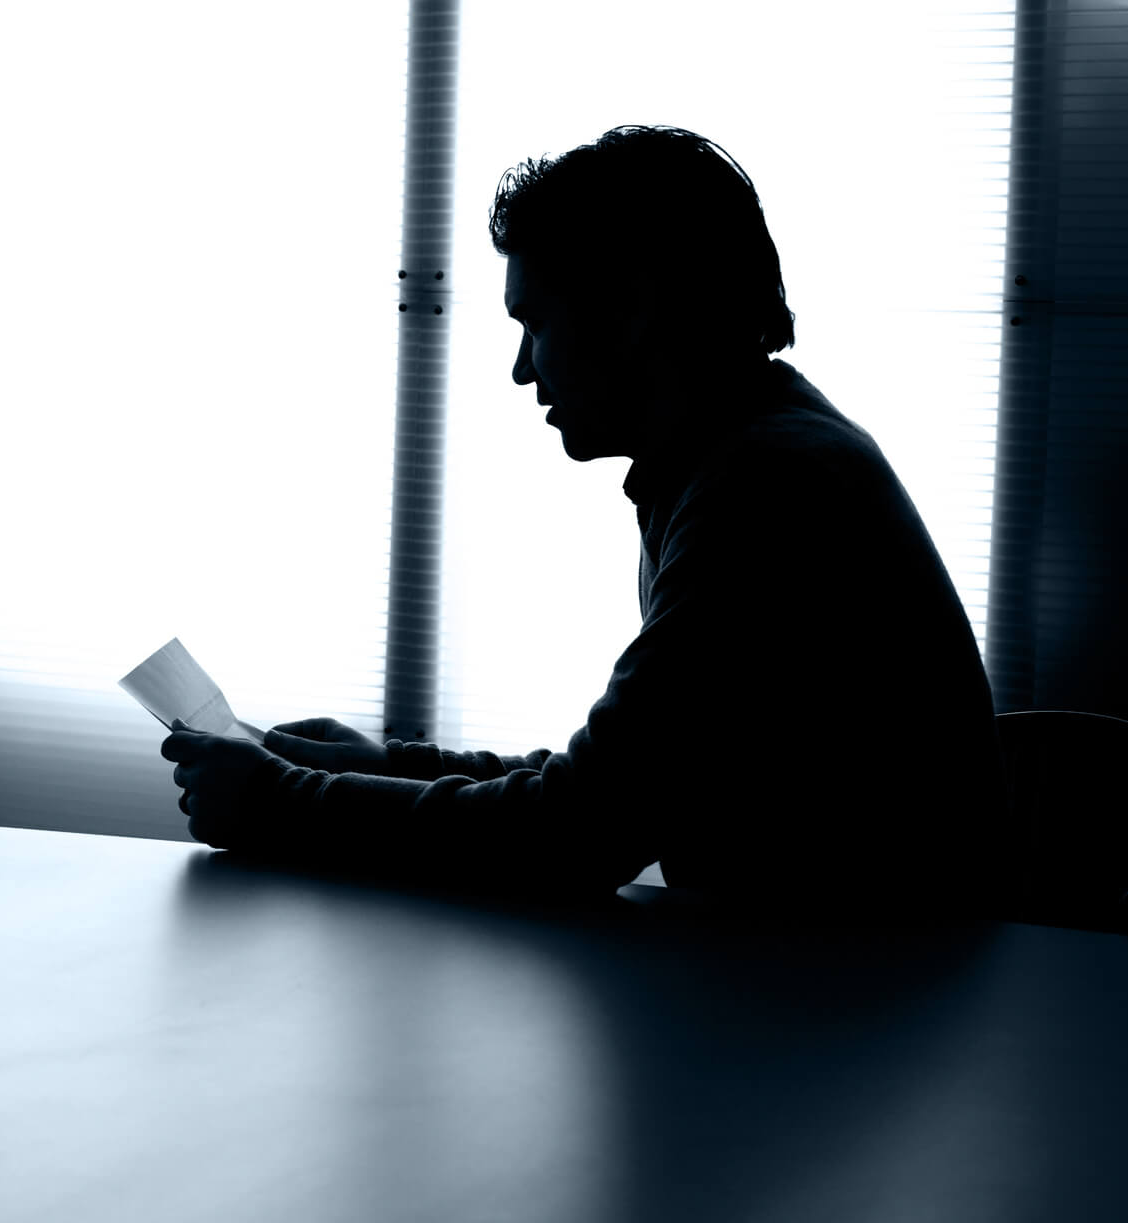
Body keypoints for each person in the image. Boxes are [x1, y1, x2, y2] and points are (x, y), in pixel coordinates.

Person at [163, 125, 1008, 915]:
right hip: (827, 993)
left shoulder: (764, 490)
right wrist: (375, 768)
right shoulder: (746, 455)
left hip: (849, 1014)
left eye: (532, 321)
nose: (521, 369)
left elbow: (575, 833)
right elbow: (627, 784)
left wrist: (281, 801)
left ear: (630, 307)